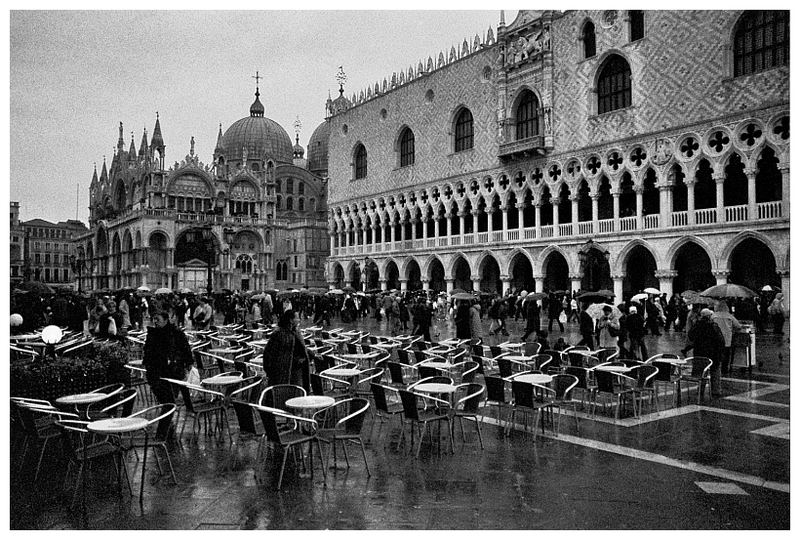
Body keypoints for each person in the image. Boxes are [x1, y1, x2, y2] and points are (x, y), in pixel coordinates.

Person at [143, 310, 194, 441]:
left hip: (174, 372)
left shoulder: (176, 333)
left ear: (166, 320)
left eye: (157, 319)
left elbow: (185, 348)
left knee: (169, 402)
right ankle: (167, 428)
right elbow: (148, 353)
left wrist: (188, 363)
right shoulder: (152, 334)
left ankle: (161, 434)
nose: (155, 321)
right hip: (156, 374)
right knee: (166, 401)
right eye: (154, 319)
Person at [261, 310, 310, 391]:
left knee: (297, 393)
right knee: (284, 394)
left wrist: (312, 355)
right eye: (297, 318)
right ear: (291, 320)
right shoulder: (279, 334)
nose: (299, 320)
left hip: (297, 371)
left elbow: (302, 349)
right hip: (282, 372)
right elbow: (269, 353)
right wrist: (271, 371)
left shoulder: (296, 332)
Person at [687, 308, 725, 398]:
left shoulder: (697, 325)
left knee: (701, 372)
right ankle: (715, 391)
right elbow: (720, 340)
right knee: (715, 372)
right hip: (713, 353)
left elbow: (691, 336)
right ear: (709, 316)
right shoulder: (714, 326)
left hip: (700, 353)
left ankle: (701, 389)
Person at [711, 301, 742, 375]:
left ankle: (716, 368)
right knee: (726, 354)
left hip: (716, 338)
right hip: (727, 338)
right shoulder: (729, 316)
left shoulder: (714, 315)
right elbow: (738, 326)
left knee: (716, 354)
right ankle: (724, 369)